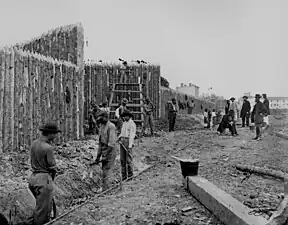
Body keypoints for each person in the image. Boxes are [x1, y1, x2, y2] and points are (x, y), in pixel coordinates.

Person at [28, 123, 60, 225]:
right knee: (43, 213)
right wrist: (51, 180)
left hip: (33, 178)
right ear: (50, 134)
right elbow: (53, 168)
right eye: (55, 134)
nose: (55, 136)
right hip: (44, 180)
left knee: (40, 208)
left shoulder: (34, 143)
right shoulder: (48, 148)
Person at [94, 110, 117, 191]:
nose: (100, 122)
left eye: (101, 119)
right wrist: (97, 157)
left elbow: (111, 144)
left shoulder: (111, 126)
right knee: (104, 171)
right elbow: (100, 143)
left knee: (108, 171)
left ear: (106, 117)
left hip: (110, 151)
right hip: (104, 149)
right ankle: (105, 188)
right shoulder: (101, 126)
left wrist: (106, 156)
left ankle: (107, 190)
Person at [118, 110, 136, 180]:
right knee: (122, 160)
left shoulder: (132, 124)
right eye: (124, 116)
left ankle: (130, 176)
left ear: (129, 116)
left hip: (128, 141)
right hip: (122, 141)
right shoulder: (124, 123)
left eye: (126, 116)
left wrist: (130, 146)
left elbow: (132, 135)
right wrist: (119, 138)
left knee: (128, 160)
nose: (125, 117)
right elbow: (122, 133)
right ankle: (124, 177)